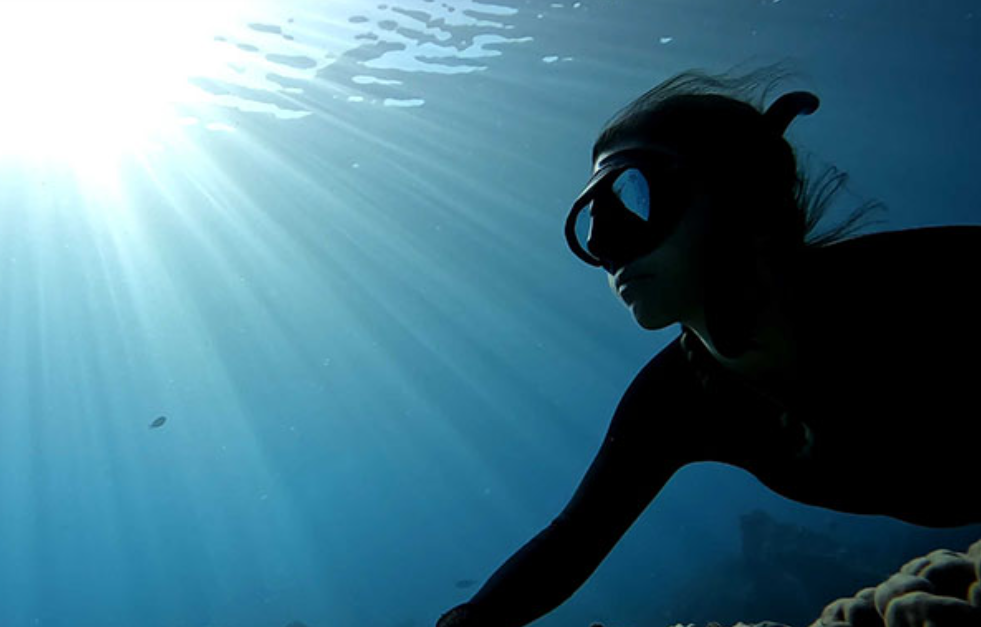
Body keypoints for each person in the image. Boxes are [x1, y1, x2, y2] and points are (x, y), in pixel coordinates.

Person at [437, 68, 981, 627]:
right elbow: (571, 542)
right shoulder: (673, 401)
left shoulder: (940, 282)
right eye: (589, 218)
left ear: (743, 194)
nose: (603, 245)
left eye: (633, 195)